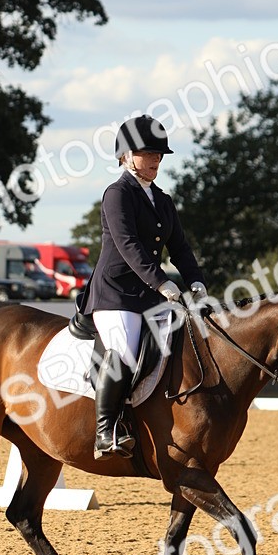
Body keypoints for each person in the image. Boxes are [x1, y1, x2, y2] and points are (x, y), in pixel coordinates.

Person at [79, 114, 208, 459]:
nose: (155, 161)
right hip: (115, 294)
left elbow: (179, 246)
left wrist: (195, 280)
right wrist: (162, 282)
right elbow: (128, 246)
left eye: (159, 155)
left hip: (149, 295)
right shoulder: (117, 194)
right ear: (125, 154)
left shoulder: (162, 200)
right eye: (147, 154)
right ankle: (105, 431)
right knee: (122, 349)